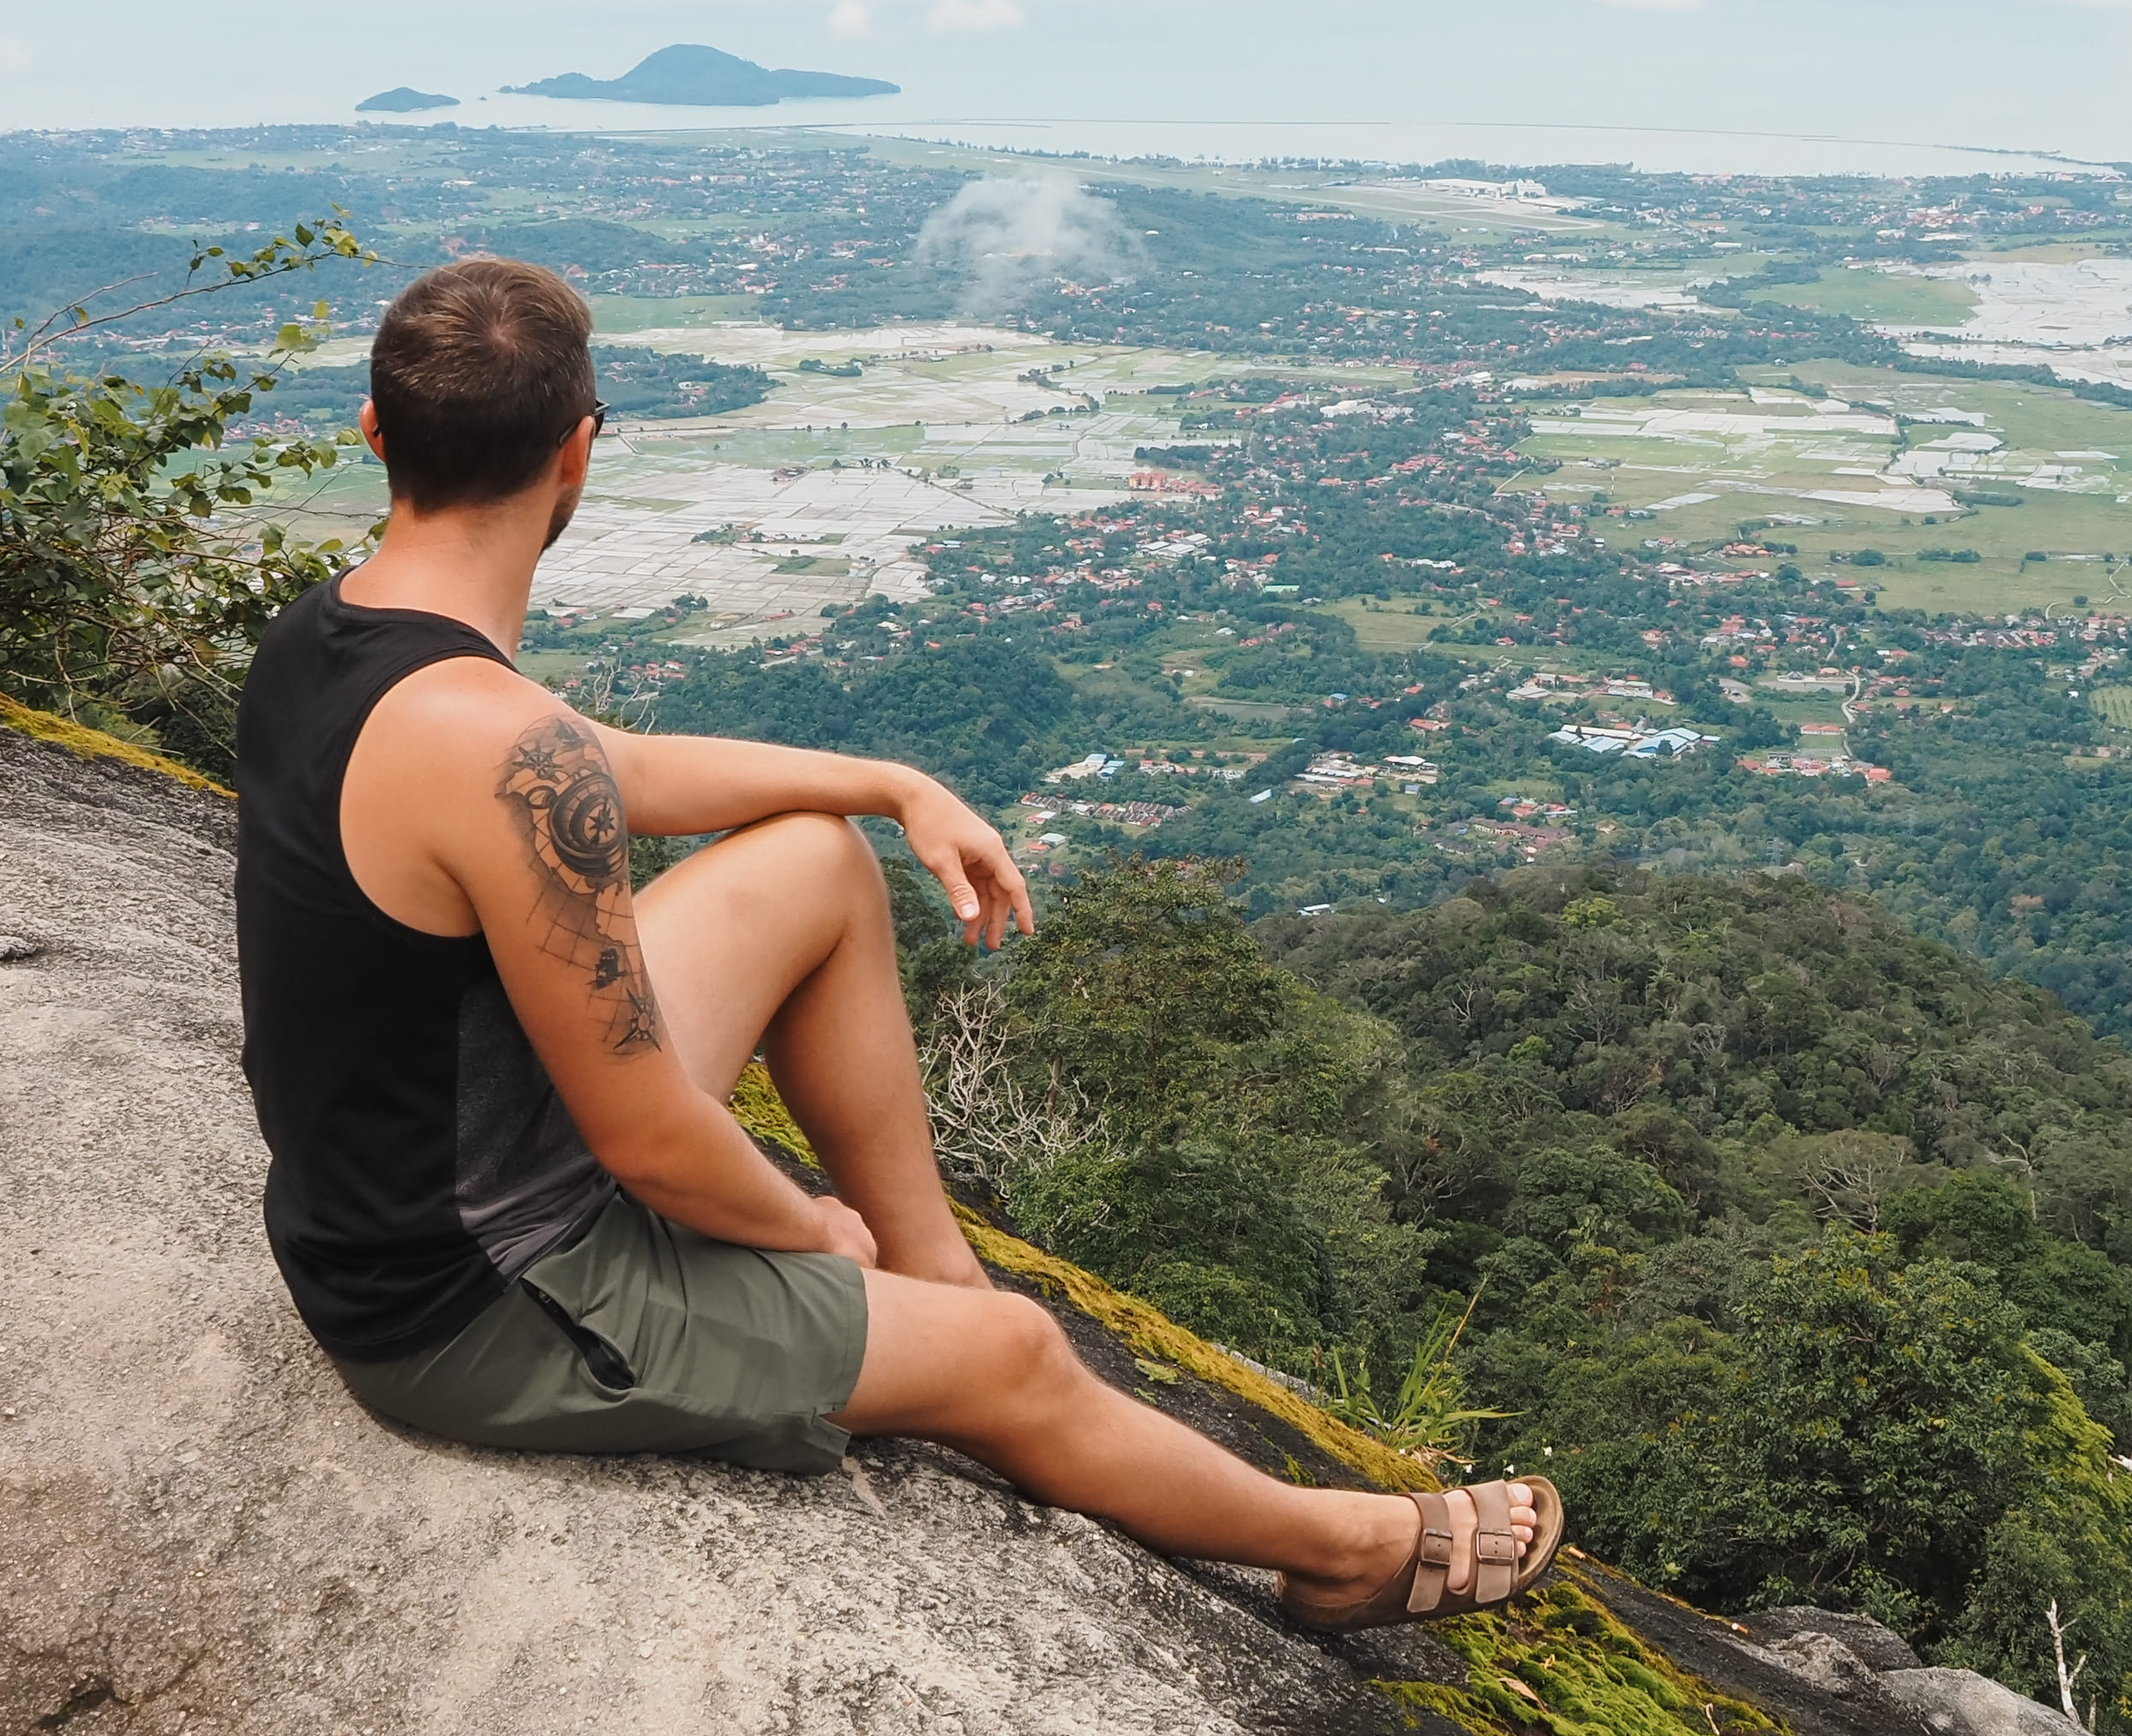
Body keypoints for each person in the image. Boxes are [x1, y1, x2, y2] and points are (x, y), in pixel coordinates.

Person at [234, 254, 1558, 1631]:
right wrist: (808, 1229)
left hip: (456, 1177)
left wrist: (885, 784)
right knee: (1023, 1356)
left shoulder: (333, 638)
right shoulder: (508, 748)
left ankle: (938, 1284)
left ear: (378, 432)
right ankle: (1343, 1549)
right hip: (486, 1299)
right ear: (580, 448)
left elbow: (606, 768)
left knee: (819, 860)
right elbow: (646, 1141)